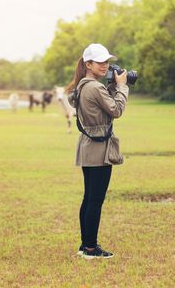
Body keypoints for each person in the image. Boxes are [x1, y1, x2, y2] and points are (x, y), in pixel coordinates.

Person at [66, 43, 129, 259]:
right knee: (95, 200)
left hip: (87, 146)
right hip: (99, 147)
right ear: (88, 64)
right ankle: (91, 249)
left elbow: (102, 105)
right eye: (100, 62)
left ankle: (86, 245)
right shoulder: (95, 87)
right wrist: (122, 87)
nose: (105, 65)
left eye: (106, 61)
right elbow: (116, 109)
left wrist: (111, 86)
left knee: (89, 198)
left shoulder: (82, 86)